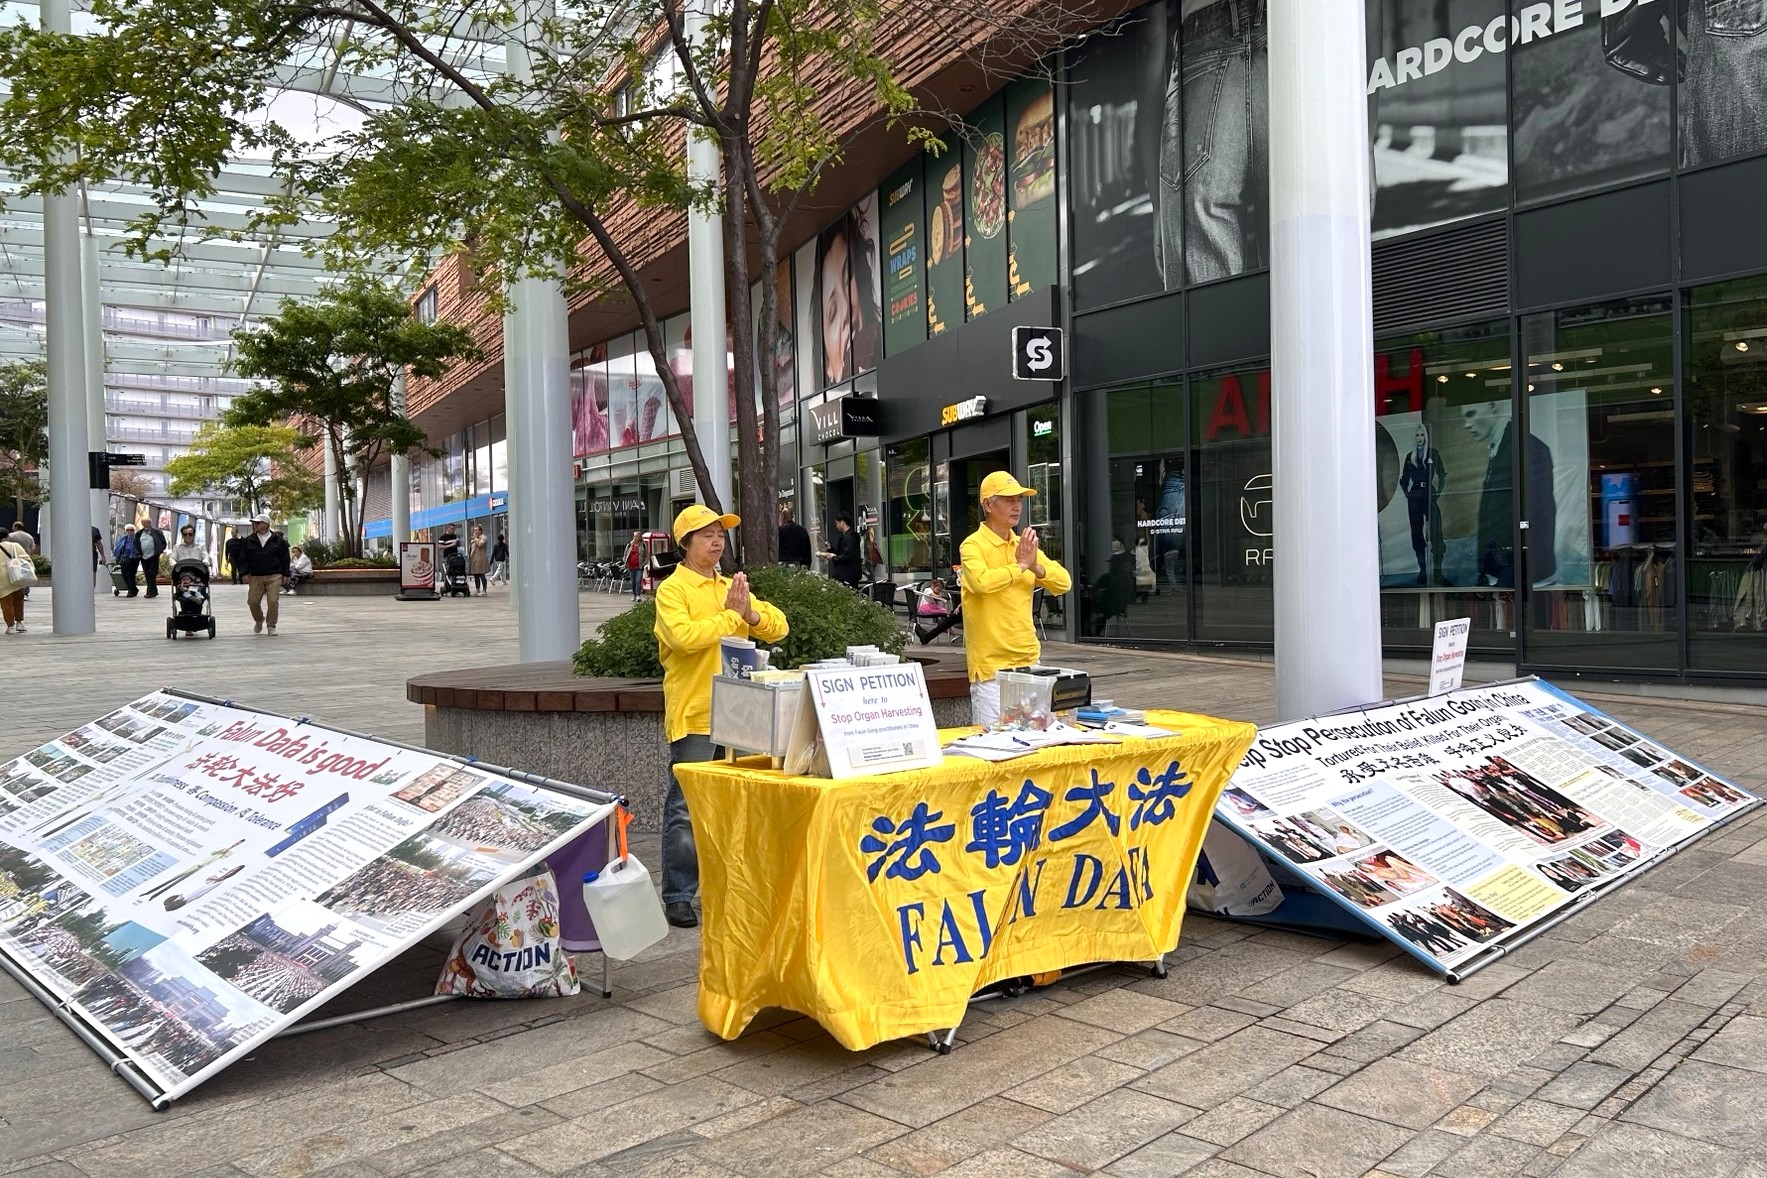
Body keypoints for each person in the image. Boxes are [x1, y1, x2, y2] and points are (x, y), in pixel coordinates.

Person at [652, 504, 788, 929]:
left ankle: (735, 889)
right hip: (696, 711)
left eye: (720, 535)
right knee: (686, 807)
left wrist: (751, 614)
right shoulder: (672, 591)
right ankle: (678, 895)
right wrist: (732, 615)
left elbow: (779, 626)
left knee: (738, 803)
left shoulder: (732, 587)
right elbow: (684, 638)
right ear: (685, 543)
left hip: (740, 713)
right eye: (707, 535)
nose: (716, 542)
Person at [959, 471, 1073, 727]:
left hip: (1029, 660)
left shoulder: (1024, 545)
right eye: (1009, 499)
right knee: (994, 742)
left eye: (1020, 499)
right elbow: (980, 582)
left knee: (1035, 737)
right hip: (991, 668)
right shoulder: (972, 545)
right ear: (988, 504)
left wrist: (1035, 566)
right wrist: (1020, 566)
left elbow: (1064, 582)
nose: (1017, 506)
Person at [1398, 424, 1446, 586]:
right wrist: (1408, 495)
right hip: (1415, 497)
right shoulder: (1410, 457)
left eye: (1422, 435)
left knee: (1436, 530)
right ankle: (1423, 571)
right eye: (1417, 435)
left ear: (1426, 436)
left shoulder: (1433, 453)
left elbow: (1442, 475)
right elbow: (1404, 479)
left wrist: (1437, 494)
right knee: (1417, 533)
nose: (1420, 438)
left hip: (1429, 494)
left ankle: (1438, 573)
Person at [237, 515, 290, 635]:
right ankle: (259, 619)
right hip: (256, 576)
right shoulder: (249, 540)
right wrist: (244, 573)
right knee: (252, 601)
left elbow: (285, 558)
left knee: (273, 601)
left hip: (274, 575)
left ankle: (271, 625)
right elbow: (243, 558)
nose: (255, 525)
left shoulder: (278, 540)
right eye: (254, 523)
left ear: (266, 524)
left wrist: (285, 574)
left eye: (258, 523)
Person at [822, 513, 862, 588]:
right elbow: (842, 553)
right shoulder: (850, 537)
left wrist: (833, 557)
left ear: (842, 523)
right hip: (848, 574)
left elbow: (847, 556)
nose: (836, 526)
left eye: (837, 523)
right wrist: (831, 549)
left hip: (846, 575)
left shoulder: (848, 538)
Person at [0, 532, 30, 634]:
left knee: (6, 603)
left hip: (2, 579)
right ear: (7, 536)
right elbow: (26, 559)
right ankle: (19, 623)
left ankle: (10, 626)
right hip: (16, 576)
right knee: (18, 600)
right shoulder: (15, 546)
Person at [137, 519, 166, 598]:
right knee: (147, 574)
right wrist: (138, 553)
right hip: (143, 557)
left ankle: (149, 592)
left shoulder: (157, 532)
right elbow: (136, 543)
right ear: (142, 524)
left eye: (148, 522)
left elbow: (163, 543)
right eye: (145, 523)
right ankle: (154, 591)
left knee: (152, 573)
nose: (147, 524)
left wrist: (159, 551)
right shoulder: (139, 533)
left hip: (154, 556)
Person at [113, 524, 141, 597]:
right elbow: (118, 548)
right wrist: (117, 557)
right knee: (124, 574)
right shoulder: (123, 538)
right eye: (128, 530)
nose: (129, 531)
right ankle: (134, 589)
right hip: (124, 558)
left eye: (131, 530)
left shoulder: (137, 538)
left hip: (134, 558)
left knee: (131, 574)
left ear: (134, 531)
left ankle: (131, 591)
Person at [468, 525, 489, 596]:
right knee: (476, 575)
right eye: (474, 530)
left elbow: (481, 544)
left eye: (476, 530)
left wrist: (476, 539)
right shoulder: (474, 539)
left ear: (480, 531)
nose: (475, 532)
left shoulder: (483, 537)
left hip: (481, 559)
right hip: (474, 560)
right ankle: (477, 590)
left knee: (481, 574)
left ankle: (484, 590)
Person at [624, 530, 644, 600]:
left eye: (636, 536)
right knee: (633, 582)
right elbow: (625, 554)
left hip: (639, 566)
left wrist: (644, 563)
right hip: (631, 567)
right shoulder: (629, 545)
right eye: (634, 536)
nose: (635, 537)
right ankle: (634, 594)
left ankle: (638, 595)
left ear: (640, 537)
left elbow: (647, 555)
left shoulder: (643, 545)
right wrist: (626, 562)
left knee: (638, 581)